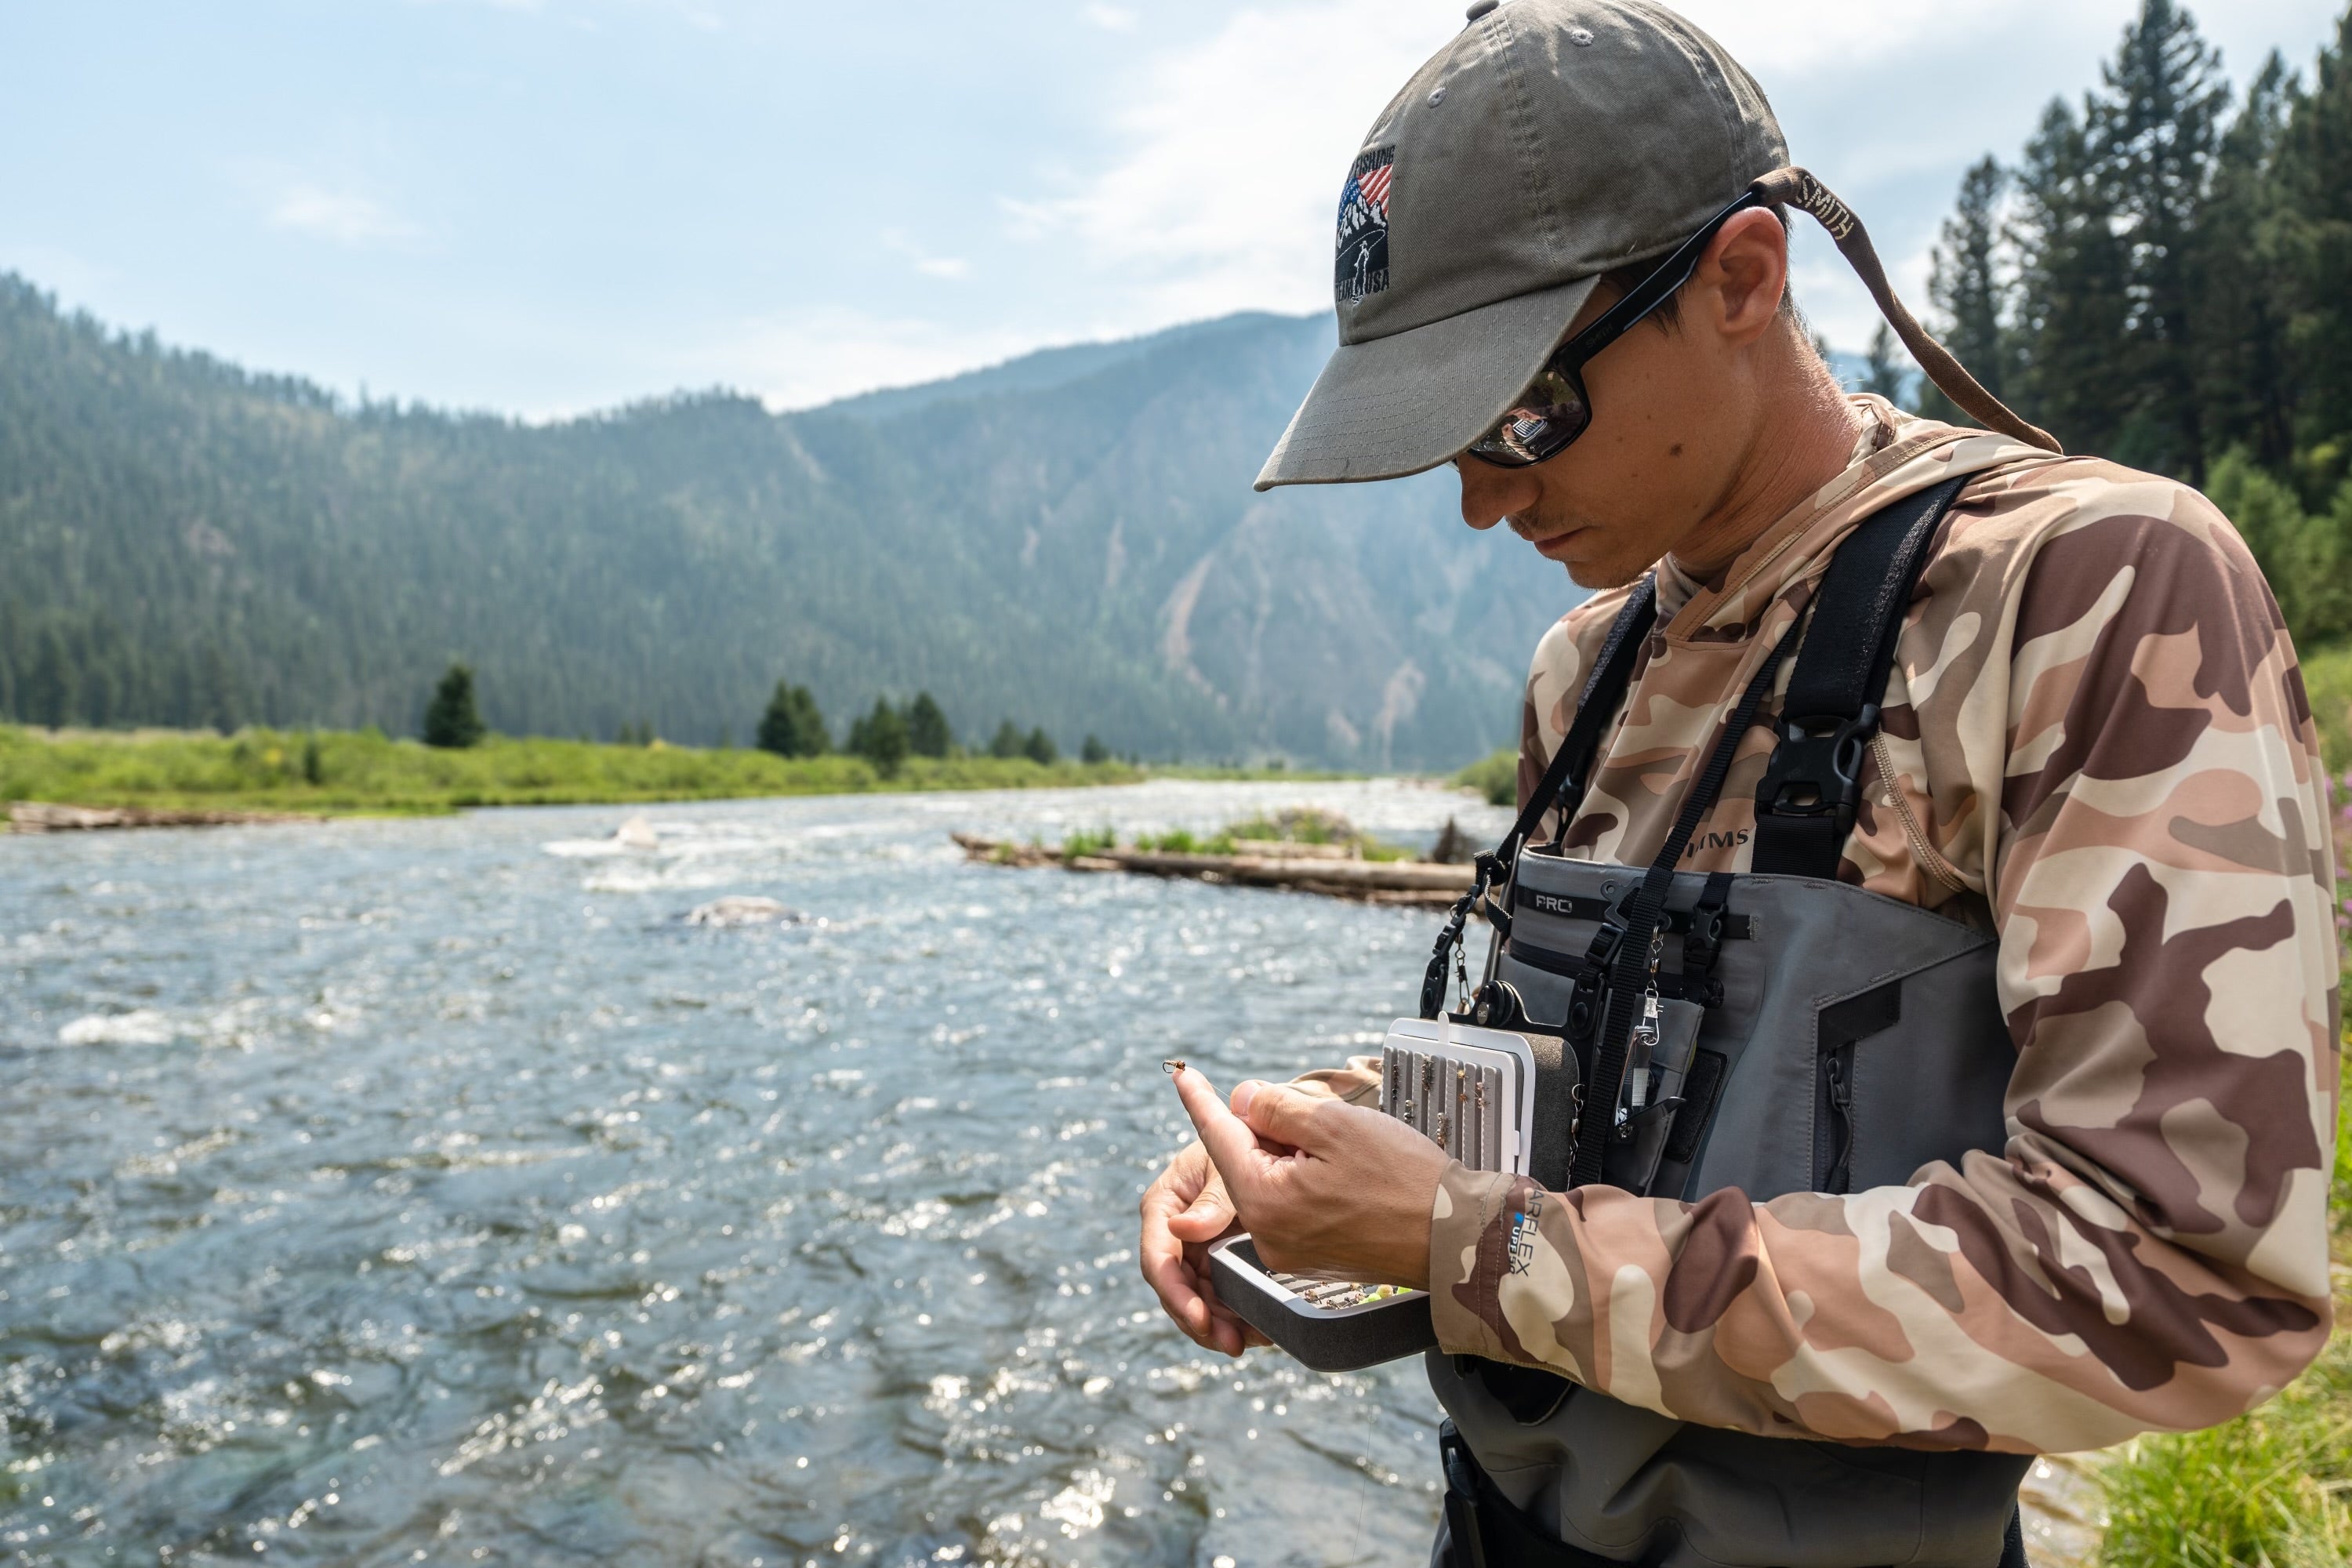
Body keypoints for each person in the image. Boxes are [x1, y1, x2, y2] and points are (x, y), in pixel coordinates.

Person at [1138, 2, 2341, 1565]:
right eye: (1446, 441)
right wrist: (1313, 1143)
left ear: (1742, 279)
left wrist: (1463, 1244)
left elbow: (2183, 1276)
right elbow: (1608, 1096)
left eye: (1524, 413)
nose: (1484, 502)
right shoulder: (1584, 669)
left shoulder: (2088, 591)